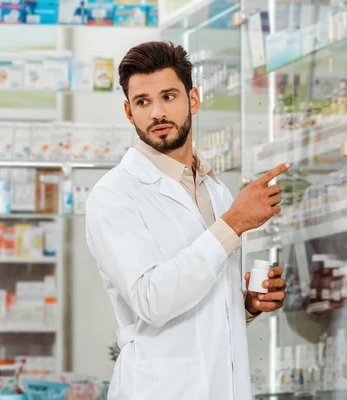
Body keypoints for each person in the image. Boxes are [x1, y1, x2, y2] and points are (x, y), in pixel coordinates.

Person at [85, 41, 289, 400]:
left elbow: (199, 308)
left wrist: (246, 304)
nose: (157, 113)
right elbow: (152, 301)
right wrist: (233, 224)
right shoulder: (113, 195)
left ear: (193, 100)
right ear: (128, 112)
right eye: (143, 102)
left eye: (168, 96)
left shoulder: (215, 190)